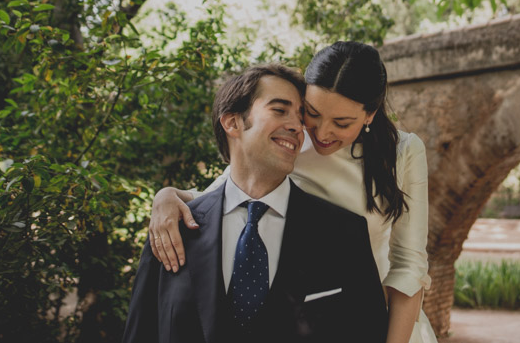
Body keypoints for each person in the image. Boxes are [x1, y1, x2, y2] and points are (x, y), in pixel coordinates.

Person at [150, 42, 437, 343]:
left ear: (370, 115)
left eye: (342, 123)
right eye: (312, 113)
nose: (323, 133)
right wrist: (167, 195)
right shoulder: (289, 143)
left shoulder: (403, 152)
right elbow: (223, 197)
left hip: (382, 325)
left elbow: (409, 264)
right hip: (300, 322)